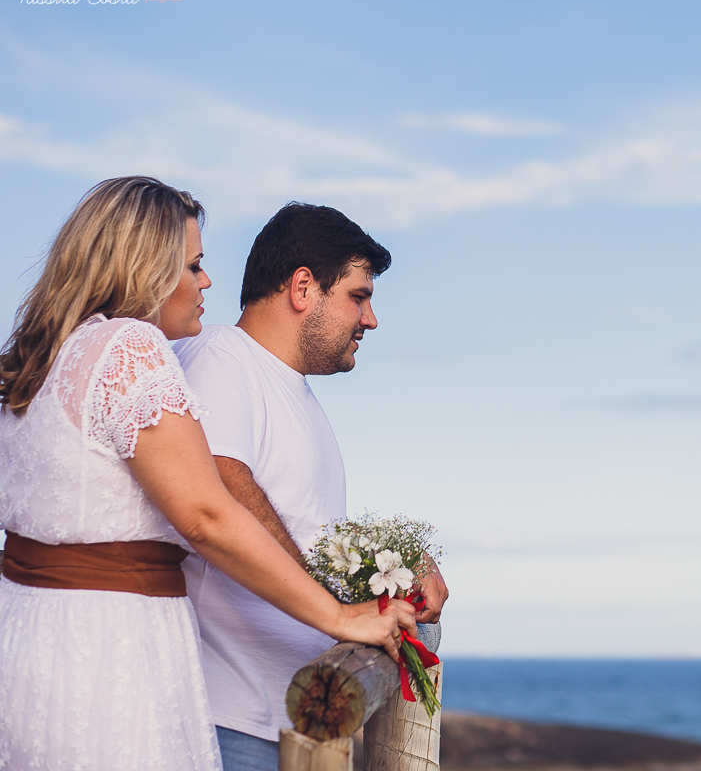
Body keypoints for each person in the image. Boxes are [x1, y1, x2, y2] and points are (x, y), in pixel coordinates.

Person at [0, 178, 416, 770]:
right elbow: (207, 512)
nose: (206, 282)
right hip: (113, 653)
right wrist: (337, 613)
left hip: (33, 640)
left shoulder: (42, 360)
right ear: (143, 267)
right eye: (193, 265)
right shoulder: (130, 346)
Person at [174, 202, 449, 771]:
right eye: (358, 295)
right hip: (228, 718)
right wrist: (339, 613)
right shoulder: (221, 357)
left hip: (297, 719)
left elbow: (302, 528)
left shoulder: (295, 393)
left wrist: (395, 564)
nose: (370, 319)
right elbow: (222, 488)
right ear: (303, 287)